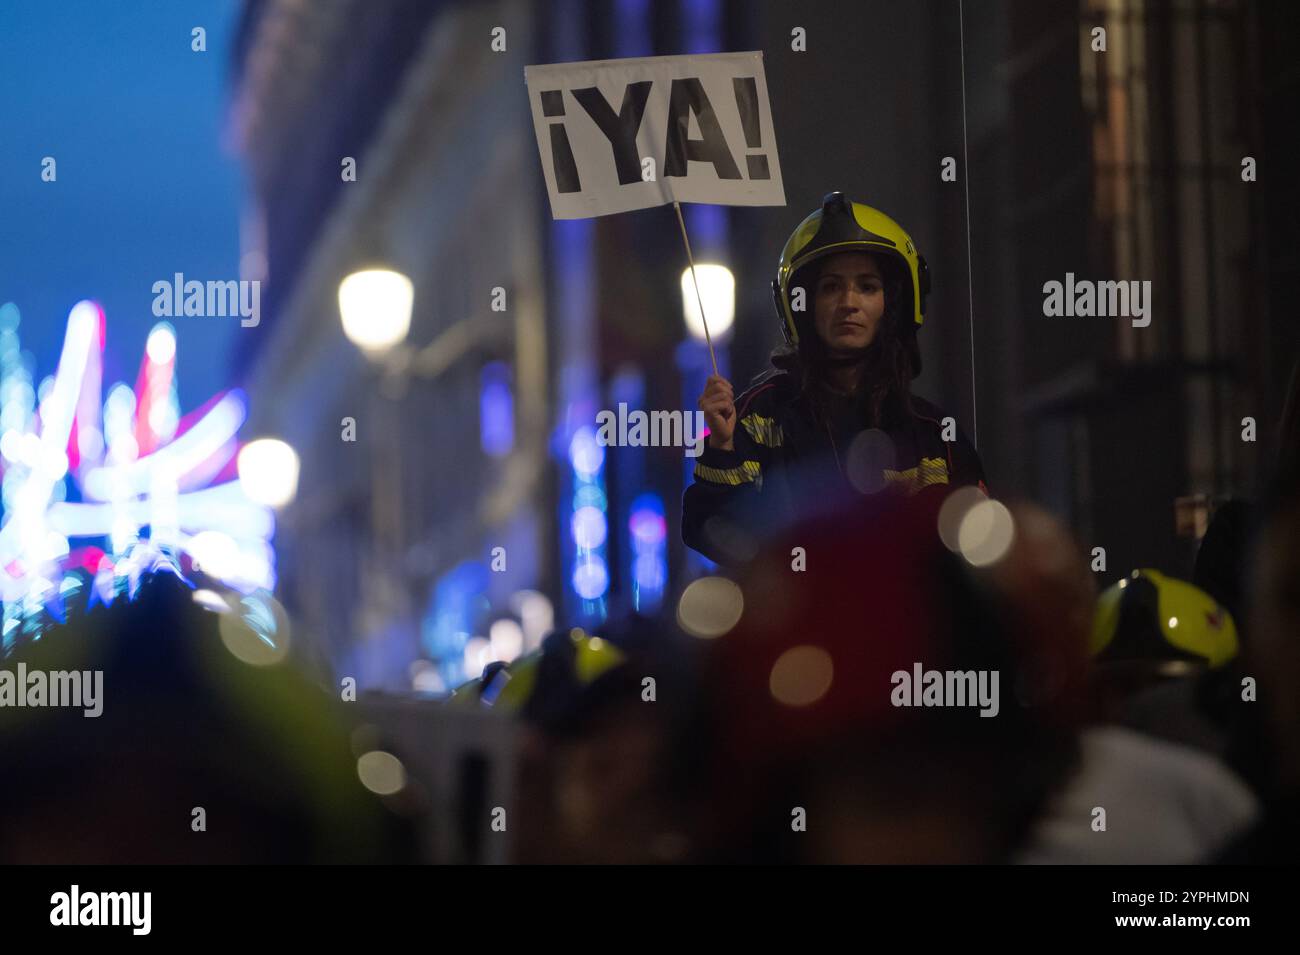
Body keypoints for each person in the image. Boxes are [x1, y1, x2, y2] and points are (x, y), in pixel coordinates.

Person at [683, 191, 986, 566]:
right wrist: (722, 449)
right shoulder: (760, 418)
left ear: (892, 304)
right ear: (802, 305)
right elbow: (713, 531)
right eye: (830, 287)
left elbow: (980, 556)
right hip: (798, 625)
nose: (848, 302)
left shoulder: (937, 435)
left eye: (867, 286)